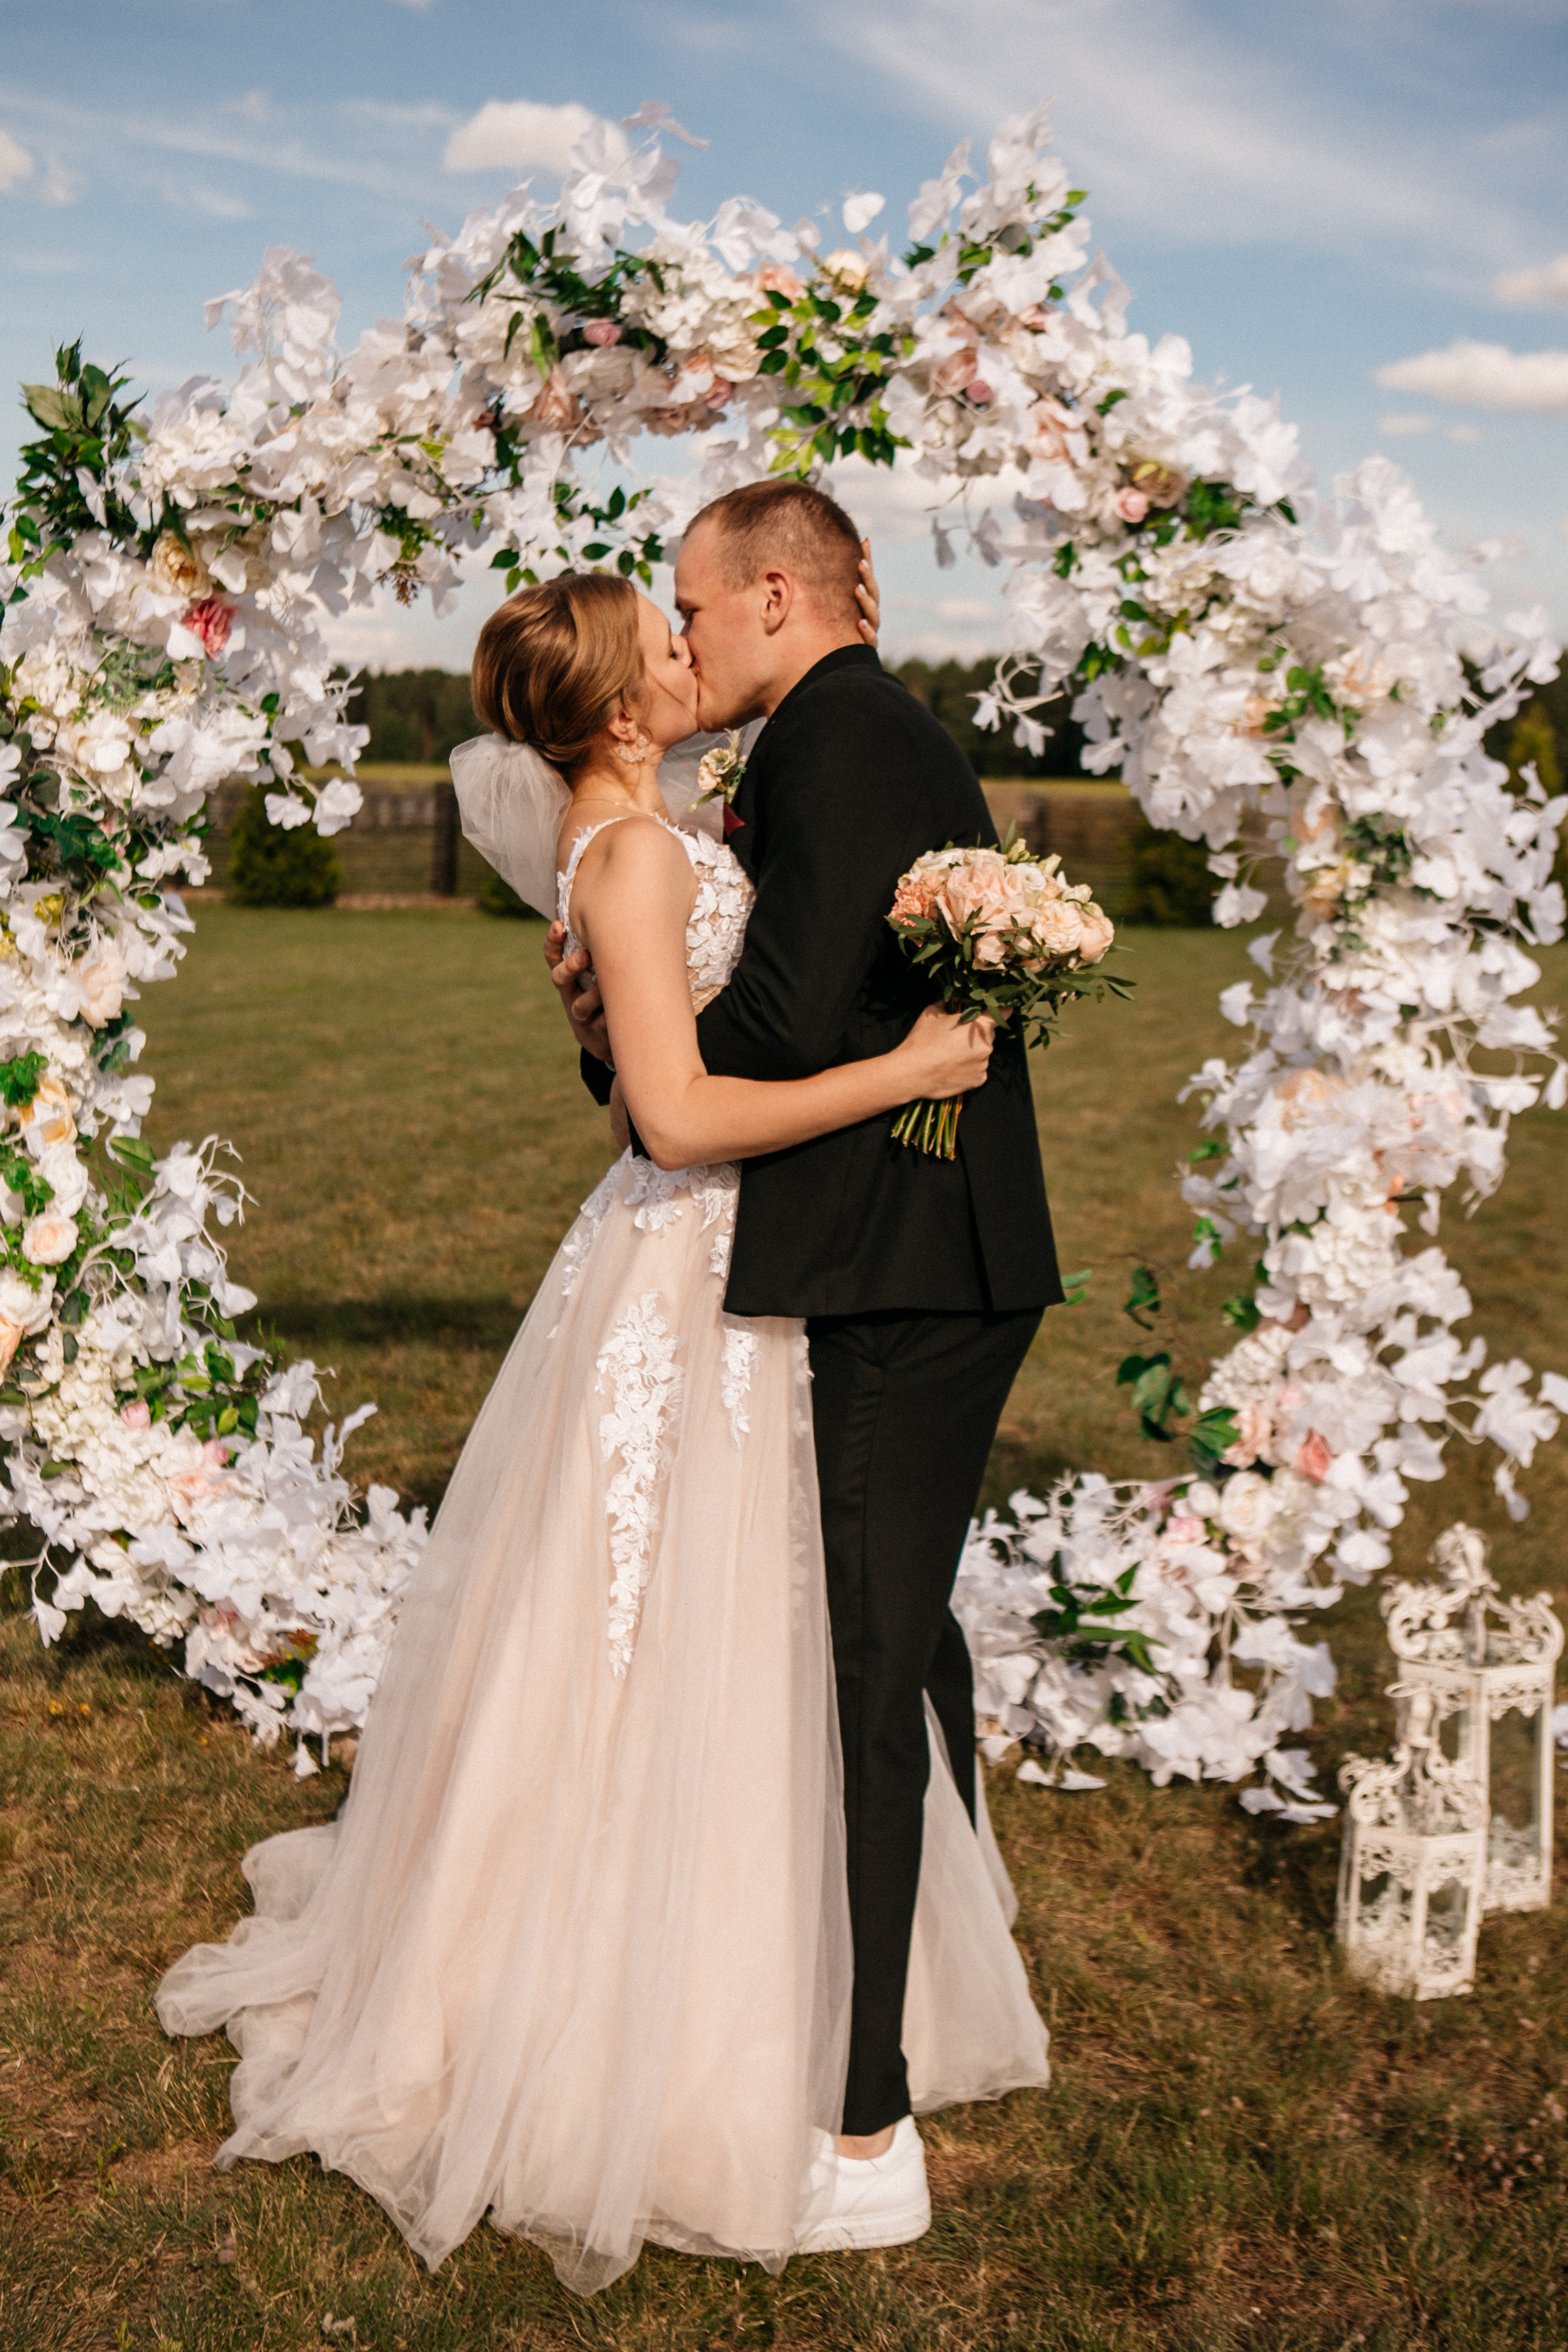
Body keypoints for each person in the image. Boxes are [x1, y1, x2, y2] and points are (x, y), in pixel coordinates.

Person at [155, 563, 1050, 2297]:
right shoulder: (632, 852)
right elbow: (681, 1114)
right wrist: (910, 1072)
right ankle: (612, 2001)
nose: (691, 648)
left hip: (716, 1261)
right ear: (628, 708)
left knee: (704, 1624)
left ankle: (729, 1961)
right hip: (690, 1263)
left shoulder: (646, 830)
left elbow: (668, 1048)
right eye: (667, 637)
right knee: (646, 1619)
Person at [549, 481, 1063, 2195]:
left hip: (902, 1258)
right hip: (900, 1243)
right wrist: (626, 1026)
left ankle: (866, 2115)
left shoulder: (835, 737)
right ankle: (937, 1986)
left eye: (695, 609)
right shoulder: (850, 729)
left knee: (862, 1662)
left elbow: (774, 1017)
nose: (686, 641)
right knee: (903, 1642)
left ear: (776, 593)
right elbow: (779, 1012)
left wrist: (639, 1035)